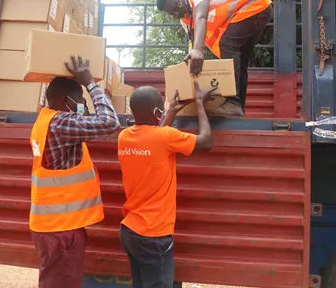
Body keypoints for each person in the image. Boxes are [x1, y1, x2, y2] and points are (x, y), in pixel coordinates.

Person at [29, 55, 120, 288]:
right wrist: (90, 83)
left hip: (54, 226)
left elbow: (87, 122)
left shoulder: (46, 119)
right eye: (80, 99)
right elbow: (110, 122)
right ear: (65, 100)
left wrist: (83, 104)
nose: (84, 104)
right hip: (60, 229)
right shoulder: (61, 124)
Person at [117, 82, 215, 288]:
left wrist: (169, 112)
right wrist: (199, 103)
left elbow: (153, 138)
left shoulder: (124, 137)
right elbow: (206, 142)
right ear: (156, 111)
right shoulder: (166, 137)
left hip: (131, 231)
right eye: (161, 106)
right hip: (154, 235)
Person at [156, 0, 273, 117]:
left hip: (255, 4)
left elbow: (201, 17)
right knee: (239, 61)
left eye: (179, 7)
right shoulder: (186, 21)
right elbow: (192, 45)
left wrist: (198, 50)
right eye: (174, 14)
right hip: (253, 12)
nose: (179, 14)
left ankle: (233, 103)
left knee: (227, 44)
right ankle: (237, 108)